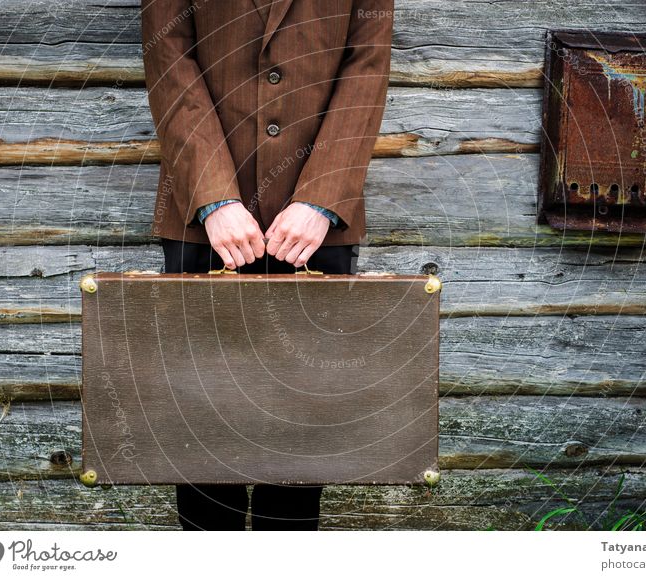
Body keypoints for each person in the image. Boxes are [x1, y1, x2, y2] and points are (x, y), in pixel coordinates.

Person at [140, 0, 394, 530]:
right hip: (199, 219)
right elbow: (169, 54)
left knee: (303, 425)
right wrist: (213, 197)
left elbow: (366, 65)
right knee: (204, 422)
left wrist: (323, 198)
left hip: (318, 226)